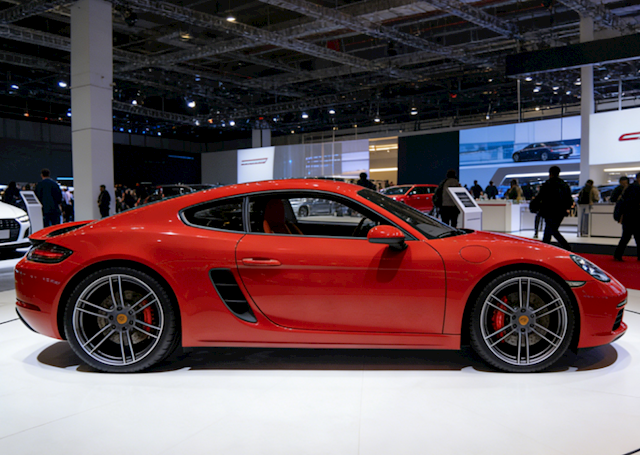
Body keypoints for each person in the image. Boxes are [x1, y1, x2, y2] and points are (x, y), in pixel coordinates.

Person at [536, 165, 574, 251]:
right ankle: (563, 247)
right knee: (551, 230)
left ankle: (566, 247)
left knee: (550, 230)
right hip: (560, 212)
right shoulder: (564, 185)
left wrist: (536, 206)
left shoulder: (547, 184)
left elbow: (540, 197)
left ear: (550, 173)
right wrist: (567, 208)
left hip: (548, 211)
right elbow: (569, 199)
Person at [613, 172, 640, 261]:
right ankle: (618, 255)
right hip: (632, 216)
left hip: (629, 216)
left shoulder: (631, 187)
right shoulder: (635, 188)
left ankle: (618, 255)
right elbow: (631, 203)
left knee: (627, 236)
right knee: (629, 236)